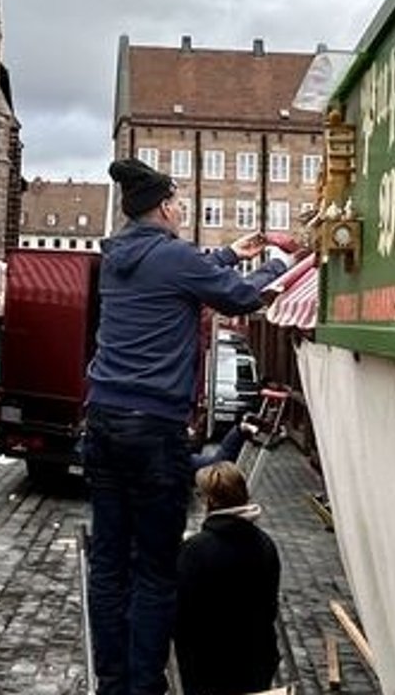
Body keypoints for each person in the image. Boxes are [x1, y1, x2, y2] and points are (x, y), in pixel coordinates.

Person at [85, 157, 288, 695]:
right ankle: (143, 686)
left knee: (108, 563)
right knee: (155, 568)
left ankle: (112, 683)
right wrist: (280, 265)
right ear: (164, 207)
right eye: (178, 202)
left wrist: (226, 254)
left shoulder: (117, 257)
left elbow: (177, 270)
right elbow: (241, 296)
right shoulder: (173, 257)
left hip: (102, 419)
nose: (182, 210)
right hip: (153, 428)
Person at [174, 462, 282, 695]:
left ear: (210, 501)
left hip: (207, 666)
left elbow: (181, 614)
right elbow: (269, 608)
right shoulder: (265, 544)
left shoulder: (195, 550)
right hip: (255, 661)